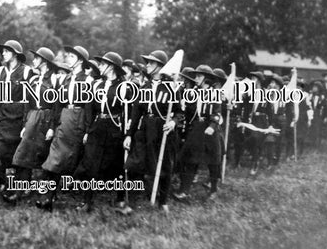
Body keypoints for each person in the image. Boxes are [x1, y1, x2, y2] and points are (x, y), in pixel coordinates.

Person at [36, 45, 93, 212]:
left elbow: (89, 108)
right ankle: (47, 198)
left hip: (79, 119)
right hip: (64, 119)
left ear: (81, 61)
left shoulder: (88, 81)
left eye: (71, 56)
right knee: (54, 157)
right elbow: (57, 105)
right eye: (67, 56)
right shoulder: (65, 80)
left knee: (70, 160)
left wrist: (88, 130)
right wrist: (54, 126)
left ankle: (82, 200)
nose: (68, 59)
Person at [74, 52, 132, 213]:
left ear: (111, 66)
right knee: (91, 164)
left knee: (117, 165)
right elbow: (89, 109)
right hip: (97, 128)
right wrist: (87, 130)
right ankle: (87, 202)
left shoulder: (124, 87)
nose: (99, 66)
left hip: (115, 129)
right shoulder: (97, 85)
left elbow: (128, 112)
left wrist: (127, 135)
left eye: (103, 64)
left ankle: (121, 200)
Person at [123, 50, 180, 213]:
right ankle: (131, 204)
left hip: (163, 130)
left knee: (163, 167)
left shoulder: (171, 88)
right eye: (147, 63)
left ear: (160, 66)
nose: (147, 66)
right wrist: (129, 135)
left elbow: (179, 112)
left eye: (151, 63)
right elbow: (136, 114)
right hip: (144, 129)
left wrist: (173, 122)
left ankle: (162, 202)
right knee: (134, 165)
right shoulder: (144, 87)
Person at [4, 47, 58, 204]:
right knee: (22, 154)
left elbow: (56, 105)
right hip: (33, 116)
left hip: (47, 117)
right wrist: (24, 125)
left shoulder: (54, 80)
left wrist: (52, 127)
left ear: (44, 61)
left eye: (36, 58)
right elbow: (27, 104)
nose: (33, 60)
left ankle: (47, 195)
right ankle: (19, 192)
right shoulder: (33, 80)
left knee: (45, 156)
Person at [174, 65, 222, 201]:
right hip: (196, 129)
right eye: (196, 76)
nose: (196, 79)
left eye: (199, 76)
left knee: (213, 161)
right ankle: (184, 191)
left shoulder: (214, 93)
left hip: (210, 130)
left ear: (206, 79)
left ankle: (213, 189)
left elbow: (217, 113)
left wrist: (212, 125)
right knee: (190, 159)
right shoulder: (193, 93)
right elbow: (188, 111)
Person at [0, 40, 33, 192]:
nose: (3, 54)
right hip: (2, 116)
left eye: (7, 51)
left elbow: (30, 99)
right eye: (2, 52)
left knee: (19, 152)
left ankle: (21, 187)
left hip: (19, 116)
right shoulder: (0, 72)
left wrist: (26, 122)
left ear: (15, 53)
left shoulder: (27, 71)